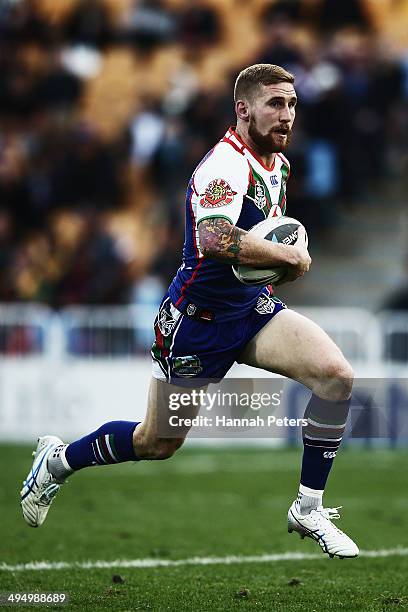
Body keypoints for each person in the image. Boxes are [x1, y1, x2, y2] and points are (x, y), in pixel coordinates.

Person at [21, 64, 358, 559]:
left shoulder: (278, 166)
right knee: (157, 442)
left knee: (336, 377)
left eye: (291, 105)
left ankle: (308, 508)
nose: (287, 116)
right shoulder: (225, 165)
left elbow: (255, 248)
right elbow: (214, 237)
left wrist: (275, 267)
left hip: (248, 309)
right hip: (196, 321)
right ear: (243, 109)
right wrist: (289, 257)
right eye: (275, 105)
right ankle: (56, 461)